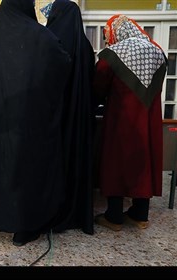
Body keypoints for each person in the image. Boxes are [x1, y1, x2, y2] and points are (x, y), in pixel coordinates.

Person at [0, 0, 72, 246]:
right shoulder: (40, 36)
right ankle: (23, 228)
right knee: (24, 172)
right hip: (27, 125)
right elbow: (63, 63)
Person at [93, 15, 167, 231]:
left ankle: (114, 217)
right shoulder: (158, 52)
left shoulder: (113, 55)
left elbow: (98, 87)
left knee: (116, 160)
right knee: (144, 161)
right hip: (149, 119)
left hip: (121, 119)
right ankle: (140, 214)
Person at [45, 0, 96, 234]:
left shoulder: (49, 40)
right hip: (79, 120)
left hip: (53, 119)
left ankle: (50, 212)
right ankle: (76, 212)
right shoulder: (85, 46)